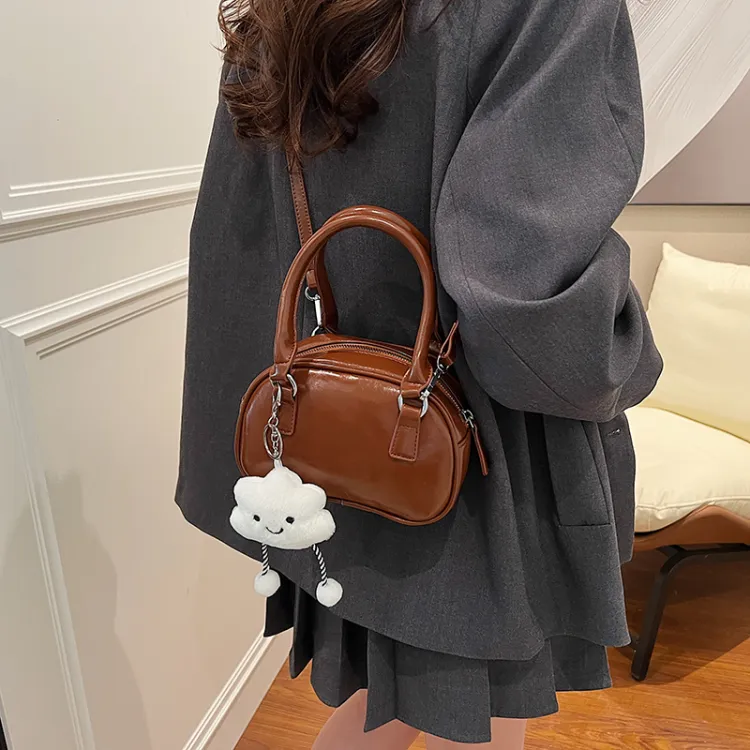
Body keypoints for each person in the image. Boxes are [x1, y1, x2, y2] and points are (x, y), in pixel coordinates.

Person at [176, 0, 663, 746]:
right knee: (474, 716)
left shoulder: (279, 13)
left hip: (330, 448)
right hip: (477, 455)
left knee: (393, 705)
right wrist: (624, 350)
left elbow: (233, 243)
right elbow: (526, 294)